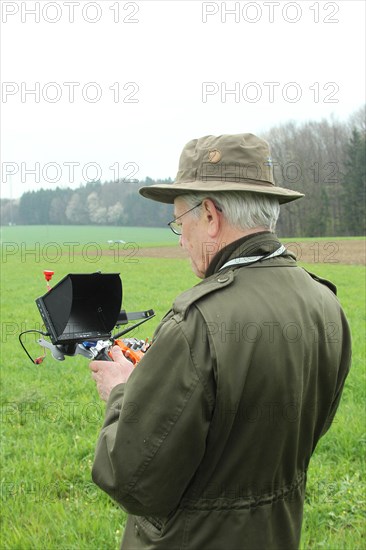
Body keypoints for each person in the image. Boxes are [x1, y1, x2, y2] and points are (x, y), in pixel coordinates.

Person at [89, 133, 351, 549]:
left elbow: (131, 478)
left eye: (180, 222)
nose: (180, 239)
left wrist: (123, 392)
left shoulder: (197, 322)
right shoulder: (324, 303)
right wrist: (167, 379)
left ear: (209, 215)